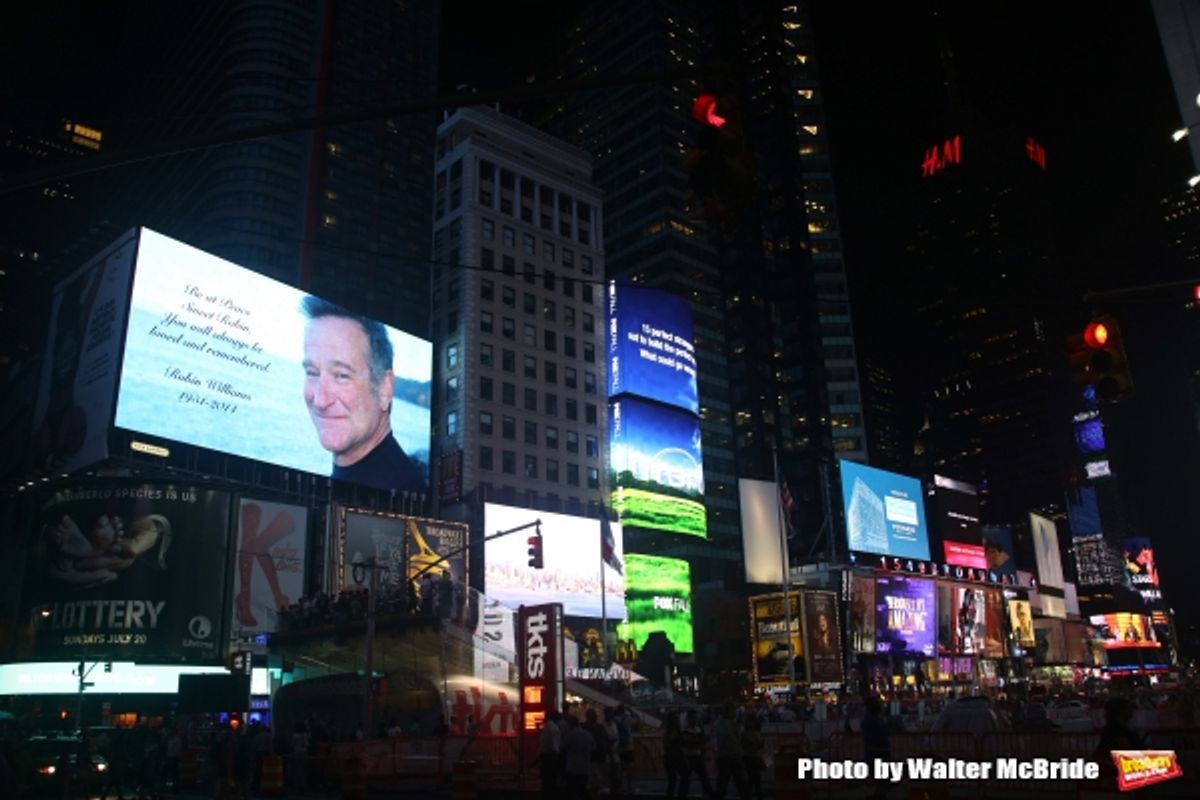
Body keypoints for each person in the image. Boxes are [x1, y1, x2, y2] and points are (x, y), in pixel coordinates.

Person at [301, 296, 426, 493]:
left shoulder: (395, 500)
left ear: (385, 388)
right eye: (312, 373)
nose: (320, 400)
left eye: (341, 375)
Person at [713, 702, 748, 799]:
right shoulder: (724, 723)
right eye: (733, 710)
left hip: (730, 756)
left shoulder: (728, 722)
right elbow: (729, 739)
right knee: (735, 783)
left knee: (727, 784)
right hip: (728, 756)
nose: (735, 712)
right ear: (728, 711)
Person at [861, 696, 891, 800]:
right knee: (880, 776)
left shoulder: (871, 719)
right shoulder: (874, 719)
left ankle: (879, 794)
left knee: (879, 776)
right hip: (879, 752)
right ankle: (879, 794)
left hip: (875, 752)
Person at [561, 714, 595, 797]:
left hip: (572, 769)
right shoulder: (588, 735)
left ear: (570, 724)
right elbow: (594, 748)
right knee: (582, 791)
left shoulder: (570, 735)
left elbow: (562, 748)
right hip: (585, 769)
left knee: (573, 792)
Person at [662, 712, 689, 799]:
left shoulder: (676, 730)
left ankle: (680, 795)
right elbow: (666, 744)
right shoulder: (671, 731)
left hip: (676, 757)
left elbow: (682, 743)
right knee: (674, 780)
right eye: (675, 719)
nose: (677, 720)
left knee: (676, 780)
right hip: (672, 757)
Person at [537, 710, 562, 798]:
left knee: (546, 781)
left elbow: (543, 743)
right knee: (551, 780)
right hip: (551, 757)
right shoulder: (554, 727)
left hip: (547, 757)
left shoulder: (547, 727)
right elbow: (555, 746)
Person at [740, 715, 765, 800]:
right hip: (749, 757)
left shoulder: (756, 733)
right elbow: (744, 745)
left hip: (755, 757)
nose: (750, 724)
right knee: (753, 779)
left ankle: (752, 795)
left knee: (754, 779)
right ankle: (756, 795)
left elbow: (761, 745)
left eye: (752, 722)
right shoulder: (744, 733)